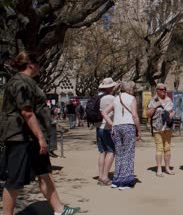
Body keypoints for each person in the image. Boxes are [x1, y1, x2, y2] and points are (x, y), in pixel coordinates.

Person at [1, 51, 80, 215]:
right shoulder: (20, 82)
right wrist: (41, 138)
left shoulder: (29, 82)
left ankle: (59, 209)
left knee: (45, 174)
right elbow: (27, 113)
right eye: (38, 64)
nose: (40, 67)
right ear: (31, 64)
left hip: (33, 138)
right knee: (15, 181)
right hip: (21, 138)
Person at [102, 81, 141, 190]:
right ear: (130, 88)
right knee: (128, 153)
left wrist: (112, 123)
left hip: (117, 127)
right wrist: (139, 130)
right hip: (128, 126)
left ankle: (117, 180)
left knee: (119, 153)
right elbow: (135, 115)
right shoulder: (131, 98)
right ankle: (126, 182)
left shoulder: (116, 98)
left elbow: (104, 112)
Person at [146, 83, 176, 177]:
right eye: (162, 89)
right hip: (157, 128)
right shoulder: (153, 100)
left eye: (165, 89)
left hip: (168, 127)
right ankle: (159, 168)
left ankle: (167, 168)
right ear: (157, 90)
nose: (164, 91)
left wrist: (172, 113)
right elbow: (148, 114)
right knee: (159, 148)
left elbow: (173, 109)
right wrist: (155, 106)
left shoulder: (168, 99)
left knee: (167, 147)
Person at [96, 78, 119, 186]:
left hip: (99, 127)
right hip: (108, 127)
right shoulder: (112, 98)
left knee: (102, 152)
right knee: (111, 151)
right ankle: (105, 177)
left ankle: (101, 175)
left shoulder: (100, 96)